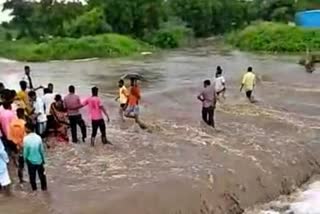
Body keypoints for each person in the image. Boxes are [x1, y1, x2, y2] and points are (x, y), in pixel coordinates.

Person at [23, 122, 47, 191]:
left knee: (32, 177)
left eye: (25, 128)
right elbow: (41, 150)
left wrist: (25, 159)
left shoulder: (26, 139)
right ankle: (44, 189)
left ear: (28, 129)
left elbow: (26, 152)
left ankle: (34, 190)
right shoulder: (38, 137)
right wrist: (43, 160)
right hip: (39, 160)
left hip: (30, 161)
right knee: (42, 176)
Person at [8, 108, 26, 183]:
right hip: (21, 146)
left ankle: (19, 179)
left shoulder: (11, 123)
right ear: (23, 114)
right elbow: (25, 136)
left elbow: (9, 137)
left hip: (13, 146)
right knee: (22, 164)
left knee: (17, 164)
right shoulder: (24, 123)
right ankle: (22, 179)